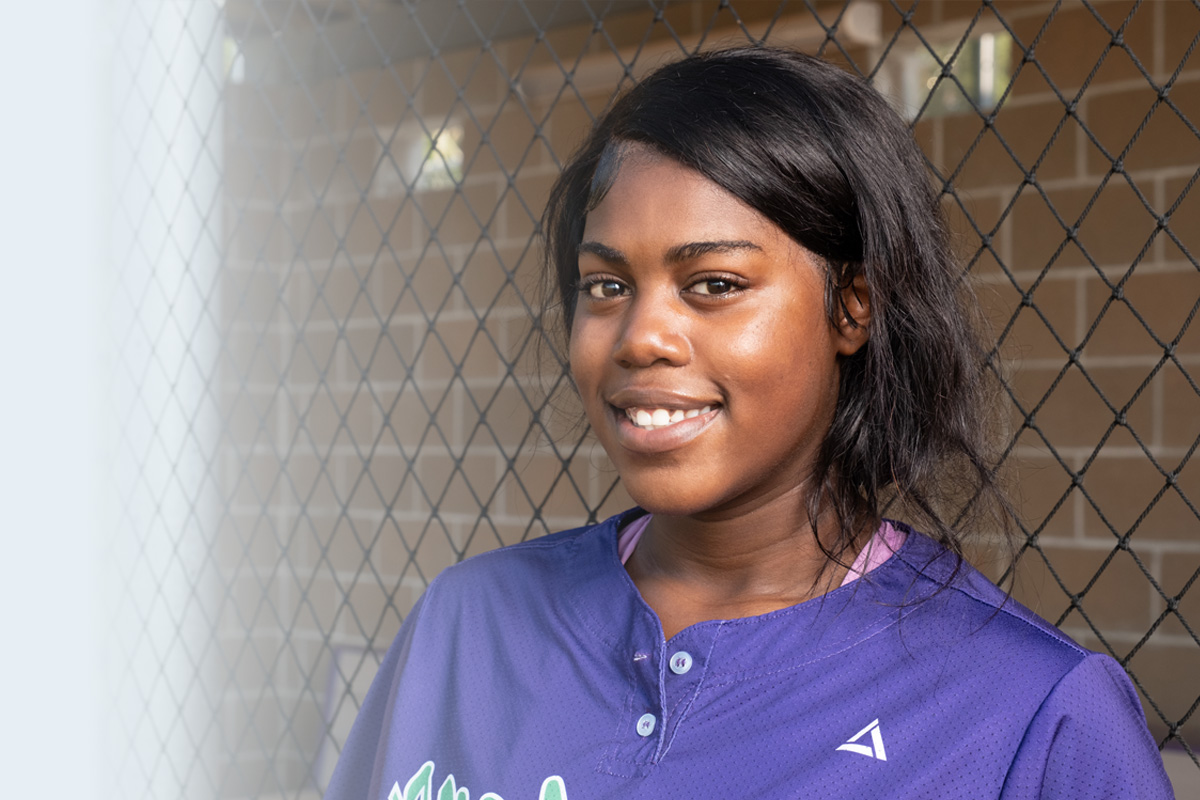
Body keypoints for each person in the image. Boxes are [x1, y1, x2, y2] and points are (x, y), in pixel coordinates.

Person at [325, 47, 1172, 800]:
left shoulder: (1032, 719)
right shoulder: (467, 624)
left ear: (853, 306)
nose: (641, 337)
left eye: (715, 285)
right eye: (606, 286)